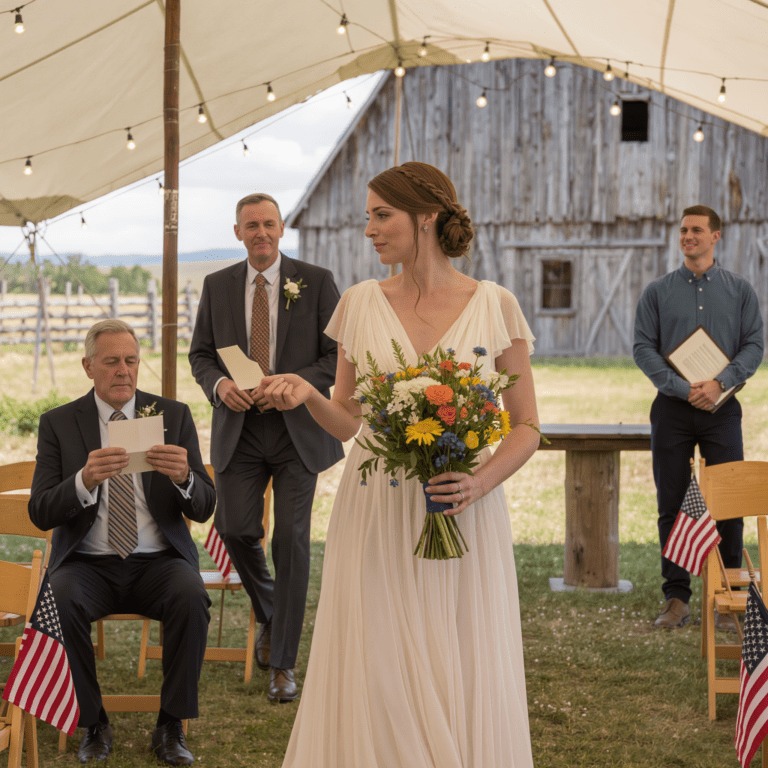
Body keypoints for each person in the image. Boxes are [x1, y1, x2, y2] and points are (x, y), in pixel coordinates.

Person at [259, 161, 540, 767]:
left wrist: (480, 481)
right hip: (376, 508)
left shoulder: (495, 306)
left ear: (427, 217)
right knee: (377, 655)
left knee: (456, 649)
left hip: (462, 508)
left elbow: (527, 426)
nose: (370, 230)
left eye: (382, 216)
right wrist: (308, 397)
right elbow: (350, 418)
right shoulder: (360, 303)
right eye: (368, 217)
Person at [28, 319, 216, 766]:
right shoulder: (58, 423)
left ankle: (170, 725)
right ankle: (94, 723)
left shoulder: (171, 416)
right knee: (61, 595)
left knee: (191, 595)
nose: (123, 371)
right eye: (111, 361)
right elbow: (40, 511)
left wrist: (184, 476)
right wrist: (83, 480)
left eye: (131, 360)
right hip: (88, 563)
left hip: (158, 560)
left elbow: (205, 507)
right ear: (88, 366)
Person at [188, 193, 342, 702]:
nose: (261, 233)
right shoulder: (217, 285)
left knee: (291, 541)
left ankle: (282, 665)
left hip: (299, 428)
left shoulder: (316, 282)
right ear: (238, 232)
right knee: (233, 529)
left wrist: (293, 381)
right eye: (251, 225)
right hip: (240, 427)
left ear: (282, 230)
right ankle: (274, 612)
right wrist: (218, 386)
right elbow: (201, 354)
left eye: (269, 224)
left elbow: (337, 357)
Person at [633, 205, 764, 630]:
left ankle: (726, 595)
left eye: (697, 230)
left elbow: (754, 346)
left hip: (722, 409)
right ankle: (676, 598)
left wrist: (720, 383)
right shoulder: (657, 292)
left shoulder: (740, 290)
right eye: (684, 230)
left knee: (728, 503)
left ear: (716, 237)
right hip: (671, 410)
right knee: (670, 503)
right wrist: (680, 387)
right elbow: (642, 348)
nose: (688, 236)